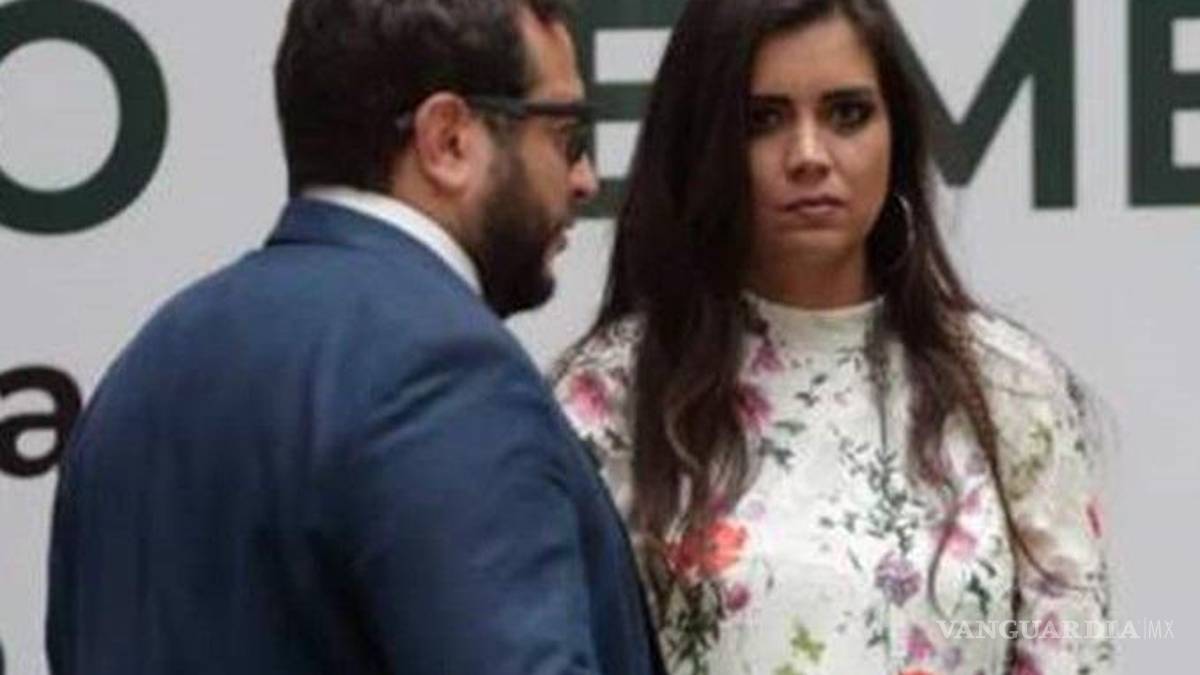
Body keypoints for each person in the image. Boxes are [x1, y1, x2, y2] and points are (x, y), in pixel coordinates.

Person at [46, 1, 664, 673]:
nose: (584, 179)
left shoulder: (144, 368)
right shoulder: (447, 371)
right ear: (448, 140)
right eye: (566, 135)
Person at [552, 0, 1112, 673]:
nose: (809, 156)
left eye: (848, 114)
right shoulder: (610, 398)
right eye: (763, 120)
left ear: (896, 136)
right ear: (701, 142)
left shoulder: (1009, 386)